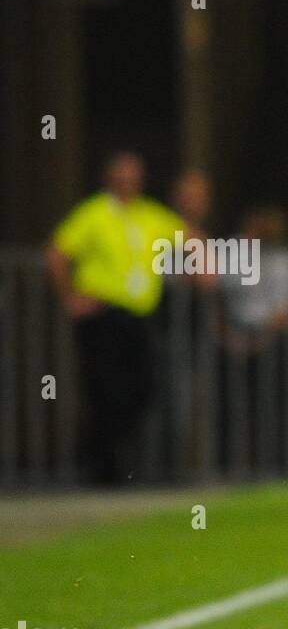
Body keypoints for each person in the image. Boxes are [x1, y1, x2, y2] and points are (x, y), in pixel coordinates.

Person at [46, 151, 185, 485]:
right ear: (108, 179)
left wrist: (207, 264)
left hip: (139, 318)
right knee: (106, 391)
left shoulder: (150, 215)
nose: (128, 183)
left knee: (143, 388)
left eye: (133, 177)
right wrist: (69, 298)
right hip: (103, 316)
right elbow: (57, 252)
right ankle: (102, 469)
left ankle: (115, 459)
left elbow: (188, 238)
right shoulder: (94, 213)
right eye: (121, 177)